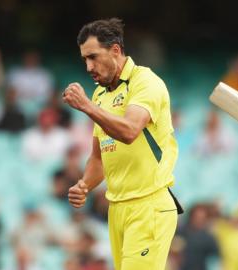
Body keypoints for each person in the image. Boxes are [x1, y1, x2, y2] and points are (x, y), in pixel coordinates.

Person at [64, 18, 182, 270]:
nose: (88, 66)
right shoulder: (100, 94)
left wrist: (86, 106)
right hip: (116, 209)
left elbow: (129, 131)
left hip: (148, 206)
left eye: (93, 57)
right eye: (85, 59)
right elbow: (99, 157)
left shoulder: (145, 82)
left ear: (115, 50)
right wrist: (84, 184)